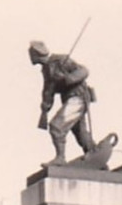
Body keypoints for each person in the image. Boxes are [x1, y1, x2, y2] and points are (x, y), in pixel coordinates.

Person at [28, 39, 97, 167]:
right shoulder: (47, 70)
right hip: (70, 100)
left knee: (56, 126)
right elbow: (48, 91)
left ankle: (60, 158)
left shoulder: (60, 60)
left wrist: (67, 79)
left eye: (31, 54)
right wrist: (45, 107)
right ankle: (95, 156)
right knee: (80, 132)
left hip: (78, 98)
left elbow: (83, 71)